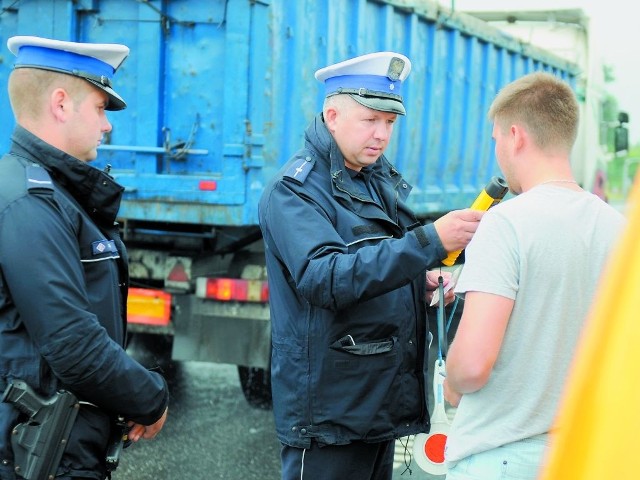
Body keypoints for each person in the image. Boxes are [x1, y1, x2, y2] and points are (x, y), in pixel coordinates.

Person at [258, 51, 485, 480]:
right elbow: (325, 277)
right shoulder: (296, 192)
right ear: (332, 116)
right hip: (330, 414)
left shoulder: (371, 178)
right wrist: (430, 241)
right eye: (370, 120)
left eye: (390, 123)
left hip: (374, 406)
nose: (382, 134)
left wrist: (418, 283)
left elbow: (377, 264)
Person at [0, 36, 169, 480]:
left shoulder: (48, 195)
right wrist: (150, 397)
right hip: (40, 451)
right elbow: (73, 344)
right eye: (99, 107)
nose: (107, 125)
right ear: (61, 103)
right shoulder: (30, 203)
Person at [443, 71, 626, 479]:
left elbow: (471, 366)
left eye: (496, 141)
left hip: (504, 457)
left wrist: (451, 380)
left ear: (515, 135)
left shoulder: (505, 224)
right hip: (586, 454)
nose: (498, 153)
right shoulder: (619, 230)